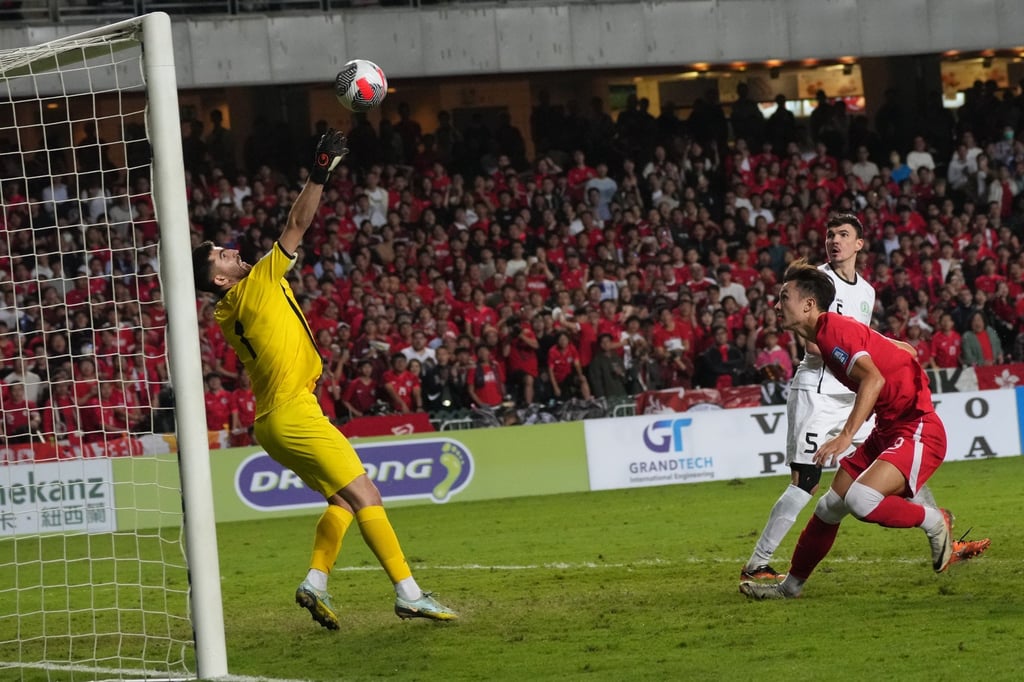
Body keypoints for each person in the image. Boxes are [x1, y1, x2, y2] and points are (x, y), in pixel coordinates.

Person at [191, 129, 456, 628]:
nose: (232, 251)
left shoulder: (231, 309)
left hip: (275, 420)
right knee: (367, 496)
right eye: (223, 256)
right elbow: (298, 222)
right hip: (292, 412)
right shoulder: (257, 285)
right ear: (222, 279)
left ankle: (315, 582)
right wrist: (320, 171)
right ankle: (409, 593)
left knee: (340, 500)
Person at [739, 260, 990, 600]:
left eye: (784, 298)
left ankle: (936, 520)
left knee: (861, 499)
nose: (776, 305)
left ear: (809, 305)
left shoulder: (831, 332)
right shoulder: (832, 333)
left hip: (917, 427)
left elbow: (873, 378)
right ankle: (790, 588)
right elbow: (905, 350)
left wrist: (845, 435)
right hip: (889, 428)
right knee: (828, 508)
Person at [741, 214, 920, 581]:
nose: (834, 240)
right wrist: (890, 347)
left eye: (843, 235)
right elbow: (816, 344)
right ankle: (757, 563)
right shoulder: (815, 283)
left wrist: (887, 348)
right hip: (817, 393)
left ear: (859, 244)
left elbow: (862, 344)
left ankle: (943, 533)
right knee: (806, 480)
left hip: (854, 394)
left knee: (895, 460)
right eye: (830, 235)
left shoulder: (867, 292)